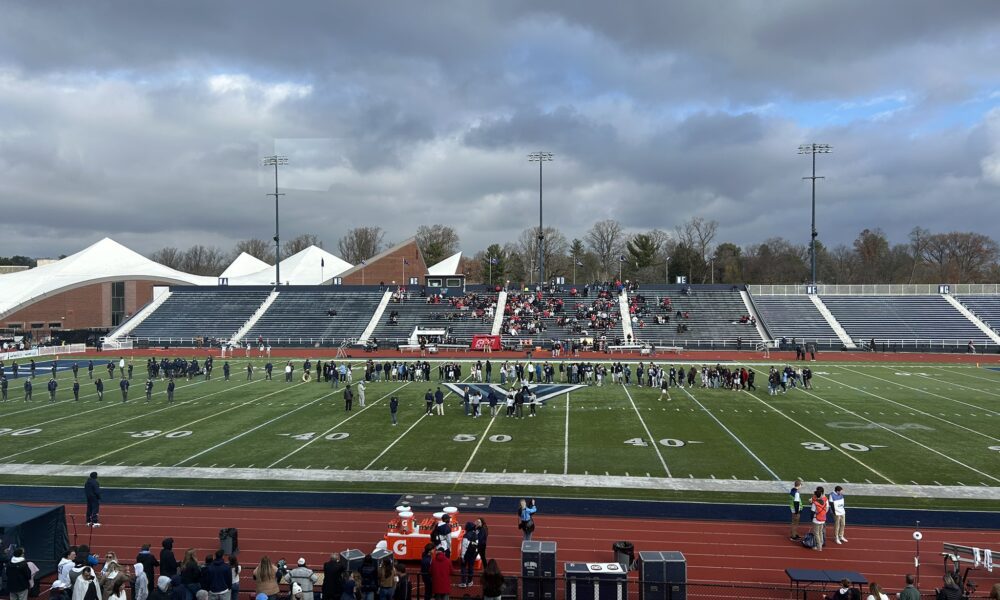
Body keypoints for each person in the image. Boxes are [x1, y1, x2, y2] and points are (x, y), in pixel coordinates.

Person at [459, 522, 478, 588]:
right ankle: (470, 582)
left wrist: (462, 556)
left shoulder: (466, 536)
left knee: (463, 567)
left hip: (466, 554)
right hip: (473, 554)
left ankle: (463, 582)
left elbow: (464, 547)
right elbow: (477, 546)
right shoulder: (476, 535)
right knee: (471, 567)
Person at [810, 487, 828, 551]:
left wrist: (811, 518)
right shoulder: (824, 501)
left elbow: (812, 512)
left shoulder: (815, 503)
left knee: (816, 533)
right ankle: (821, 544)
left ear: (815, 495)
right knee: (820, 532)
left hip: (816, 520)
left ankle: (819, 547)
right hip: (823, 519)